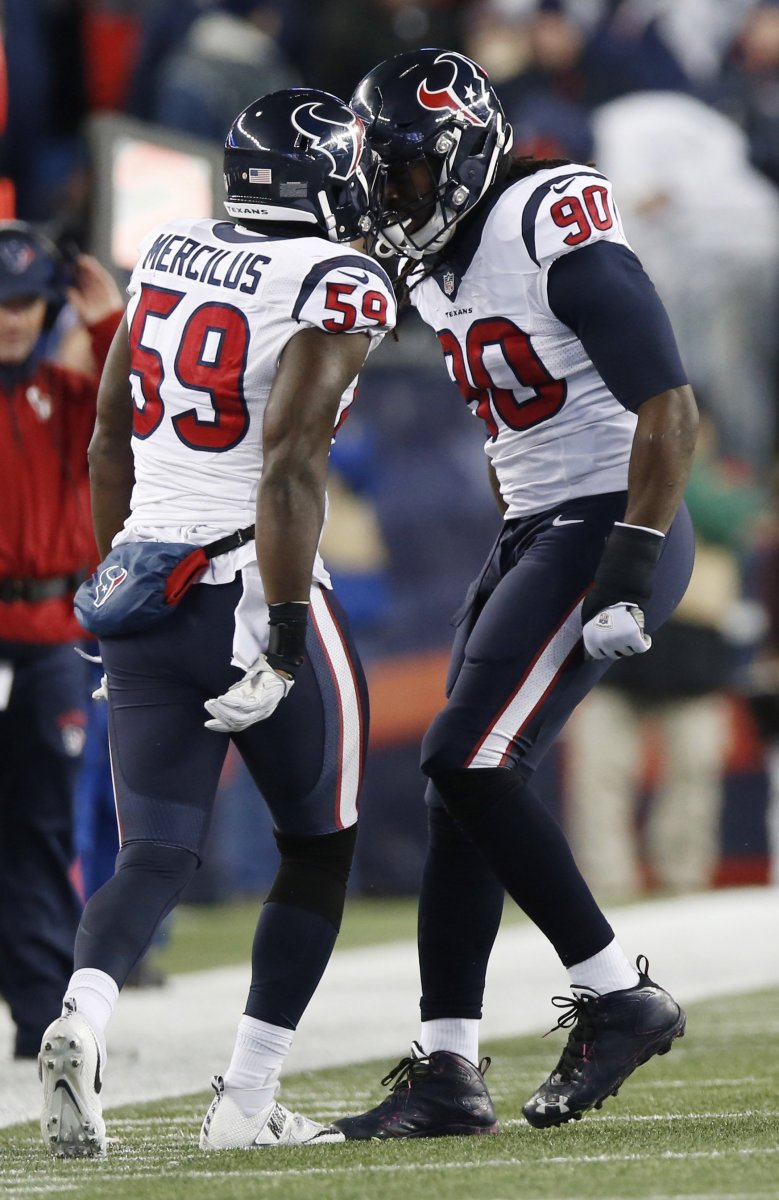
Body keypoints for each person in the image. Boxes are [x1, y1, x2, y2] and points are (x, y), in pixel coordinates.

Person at [333, 48, 698, 1139]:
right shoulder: (437, 263)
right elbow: (512, 433)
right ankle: (446, 1068)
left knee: (467, 756)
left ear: (458, 154)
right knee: (457, 795)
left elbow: (668, 406)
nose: (389, 200)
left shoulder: (547, 213)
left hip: (605, 518)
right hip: (537, 527)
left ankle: (616, 993)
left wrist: (628, 556)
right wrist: (515, 539)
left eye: (401, 175)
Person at [37, 87, 395, 1158]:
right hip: (248, 583)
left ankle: (82, 1016)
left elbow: (108, 442)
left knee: (151, 852)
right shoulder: (334, 278)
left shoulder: (171, 248)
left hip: (141, 582)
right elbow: (288, 464)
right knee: (320, 848)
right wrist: (284, 631)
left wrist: (114, 586)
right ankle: (245, 1100)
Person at [0, 221, 122, 1062]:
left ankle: (41, 1015)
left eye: (23, 303)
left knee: (42, 824)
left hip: (48, 638)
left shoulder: (74, 399)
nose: (9, 319)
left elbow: (141, 405)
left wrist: (109, 319)